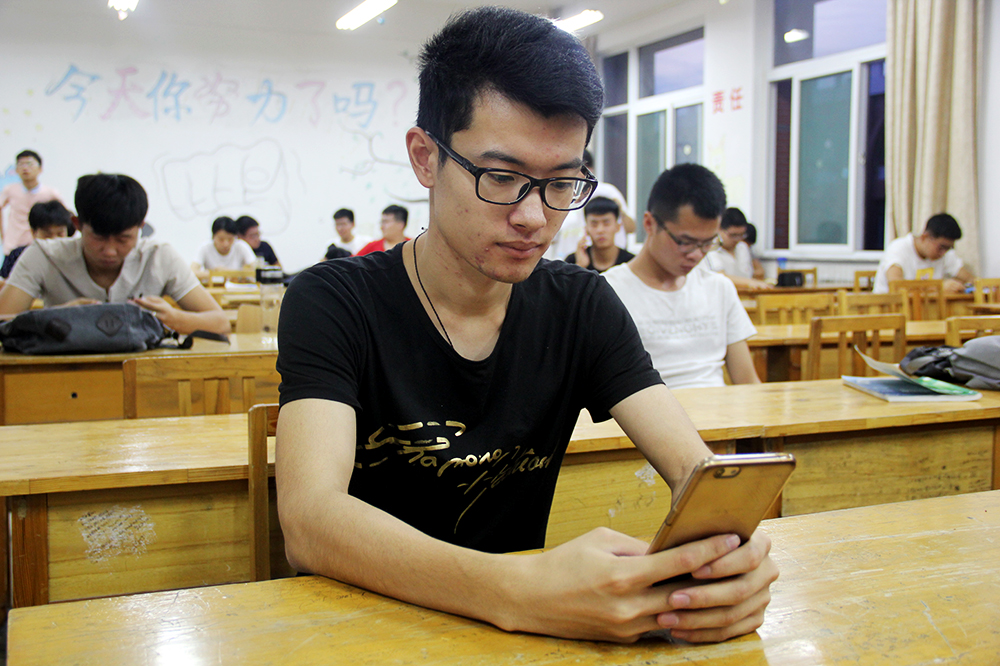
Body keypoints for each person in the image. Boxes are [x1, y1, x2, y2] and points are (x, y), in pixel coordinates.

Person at [275, 6, 775, 645]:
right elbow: (310, 522)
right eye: (503, 177)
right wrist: (512, 590)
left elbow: (697, 473)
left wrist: (727, 567)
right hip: (361, 630)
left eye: (563, 183)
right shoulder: (334, 300)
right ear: (425, 158)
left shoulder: (581, 306)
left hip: (524, 643)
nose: (535, 218)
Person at [0, 173, 229, 335]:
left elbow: (220, 322)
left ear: (140, 228)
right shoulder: (43, 256)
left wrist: (176, 319)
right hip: (63, 376)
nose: (110, 251)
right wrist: (55, 317)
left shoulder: (159, 257)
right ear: (77, 225)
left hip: (143, 374)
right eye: (98, 238)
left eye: (123, 239)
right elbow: (2, 321)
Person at [604, 165, 761, 390]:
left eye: (708, 243)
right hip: (647, 410)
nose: (697, 254)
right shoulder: (609, 293)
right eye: (685, 242)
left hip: (720, 409)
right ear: (649, 224)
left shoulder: (719, 289)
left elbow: (748, 383)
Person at [547, 149, 635, 260]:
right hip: (569, 260)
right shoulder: (558, 193)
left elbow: (631, 228)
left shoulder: (607, 191)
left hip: (611, 259)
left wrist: (620, 210)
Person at [873, 213, 975, 294]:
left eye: (948, 248)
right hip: (889, 308)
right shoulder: (898, 248)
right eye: (941, 247)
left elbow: (971, 279)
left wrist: (963, 286)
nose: (943, 253)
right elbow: (895, 286)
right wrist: (938, 288)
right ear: (925, 237)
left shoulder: (945, 254)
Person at [0, 150, 68, 256]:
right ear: (16, 170)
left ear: (40, 169)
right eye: (21, 164)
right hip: (13, 245)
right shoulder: (10, 190)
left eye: (30, 164)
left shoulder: (50, 193)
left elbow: (65, 215)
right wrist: (3, 236)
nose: (25, 168)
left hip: (40, 246)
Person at [0, 200, 74, 280]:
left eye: (60, 234)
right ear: (33, 232)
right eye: (47, 235)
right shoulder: (17, 255)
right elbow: (4, 284)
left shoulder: (74, 257)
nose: (54, 240)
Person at [705, 208, 771, 290]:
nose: (737, 239)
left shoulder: (743, 247)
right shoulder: (711, 250)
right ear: (719, 230)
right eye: (733, 235)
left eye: (741, 235)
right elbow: (721, 277)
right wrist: (751, 282)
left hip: (746, 294)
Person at [564, 196, 634, 272]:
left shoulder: (631, 263)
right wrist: (580, 266)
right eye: (594, 224)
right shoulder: (573, 261)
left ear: (618, 227)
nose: (600, 230)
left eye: (606, 223)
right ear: (586, 228)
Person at [191, 216, 257, 281]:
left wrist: (227, 272)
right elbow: (192, 272)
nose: (226, 244)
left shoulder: (241, 246)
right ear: (213, 237)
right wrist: (216, 273)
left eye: (230, 239)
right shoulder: (205, 247)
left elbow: (256, 269)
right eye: (221, 239)